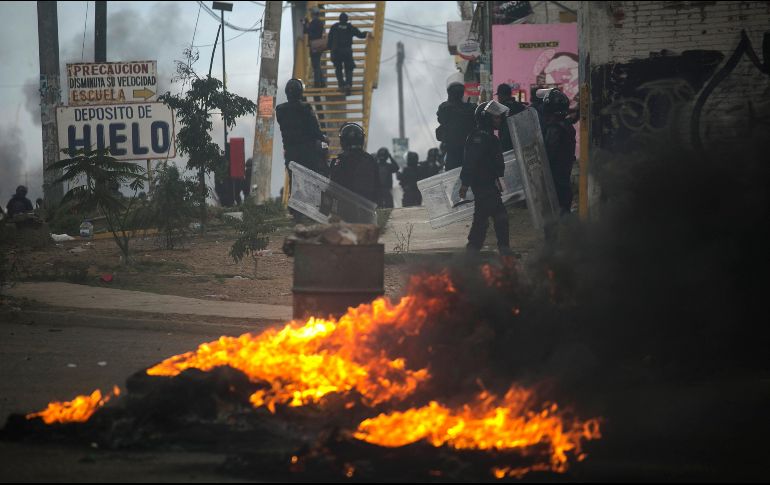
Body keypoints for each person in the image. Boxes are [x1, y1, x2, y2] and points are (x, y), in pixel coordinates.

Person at [459, 100, 512, 255]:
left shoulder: (488, 136)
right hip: (483, 185)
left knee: (488, 218)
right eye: (495, 117)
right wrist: (465, 183)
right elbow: (470, 161)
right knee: (493, 217)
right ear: (486, 118)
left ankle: (476, 251)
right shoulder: (479, 138)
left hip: (489, 184)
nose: (499, 119)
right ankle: (482, 250)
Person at [275, 78, 327, 177]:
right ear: (300, 92)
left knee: (293, 181)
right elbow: (315, 130)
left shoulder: (280, 110)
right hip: (307, 153)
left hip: (290, 153)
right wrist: (323, 138)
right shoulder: (305, 108)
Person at [540, 88, 576, 216]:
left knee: (555, 217)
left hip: (554, 181)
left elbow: (549, 154)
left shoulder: (554, 129)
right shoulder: (567, 126)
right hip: (564, 178)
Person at [330, 123, 380, 205]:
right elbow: (377, 186)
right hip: (367, 207)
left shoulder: (338, 161)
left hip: (344, 206)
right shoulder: (370, 159)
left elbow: (333, 186)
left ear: (343, 140)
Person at [436, 82, 477, 171]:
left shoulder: (445, 108)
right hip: (470, 149)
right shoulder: (470, 108)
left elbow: (440, 119)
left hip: (453, 152)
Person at [327, 13, 368, 95]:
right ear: (347, 19)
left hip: (336, 52)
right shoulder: (350, 27)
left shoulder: (334, 27)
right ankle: (348, 84)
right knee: (349, 69)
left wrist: (330, 48)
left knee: (338, 69)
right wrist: (368, 33)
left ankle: (341, 85)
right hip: (347, 51)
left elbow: (329, 40)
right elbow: (360, 35)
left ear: (339, 19)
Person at [495, 83, 526, 153]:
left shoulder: (502, 109)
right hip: (520, 143)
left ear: (501, 95)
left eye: (498, 96)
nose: (498, 98)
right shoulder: (520, 106)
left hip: (506, 145)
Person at [303, 7, 326, 88]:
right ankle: (322, 82)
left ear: (313, 14)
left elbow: (306, 31)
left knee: (315, 65)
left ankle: (317, 84)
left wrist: (305, 24)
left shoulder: (313, 22)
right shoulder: (320, 22)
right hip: (319, 45)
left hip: (314, 45)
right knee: (317, 64)